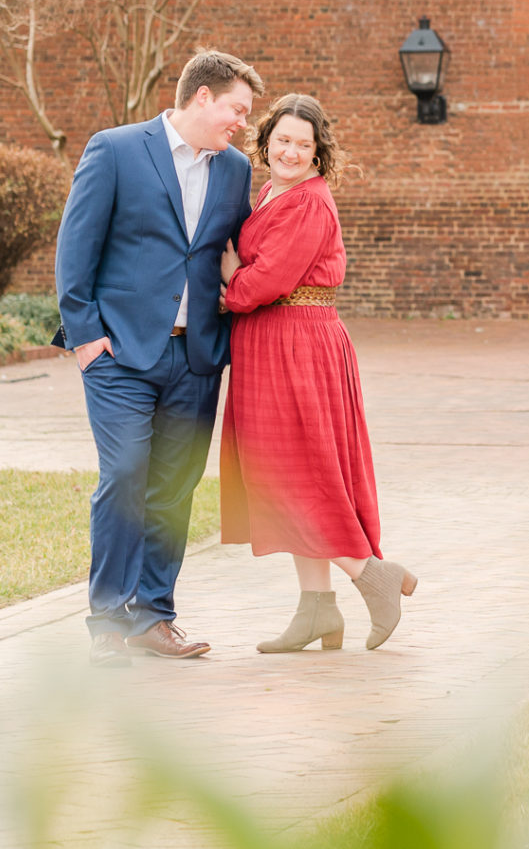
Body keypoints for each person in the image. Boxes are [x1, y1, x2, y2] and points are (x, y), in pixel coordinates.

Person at [55, 49, 263, 662]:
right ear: (203, 96)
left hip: (196, 357)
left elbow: (235, 248)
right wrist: (87, 338)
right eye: (237, 109)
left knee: (173, 488)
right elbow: (76, 247)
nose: (242, 123)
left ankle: (153, 617)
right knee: (124, 477)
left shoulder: (233, 171)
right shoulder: (116, 149)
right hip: (119, 353)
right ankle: (107, 622)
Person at [218, 92, 417, 652]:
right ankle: (317, 611)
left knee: (299, 473)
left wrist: (233, 279)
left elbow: (267, 282)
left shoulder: (308, 202)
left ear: (317, 151)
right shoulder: (271, 192)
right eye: (282, 139)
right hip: (274, 343)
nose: (291, 151)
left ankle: (371, 576)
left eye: (303, 144)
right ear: (267, 141)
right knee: (287, 472)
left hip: (296, 345)